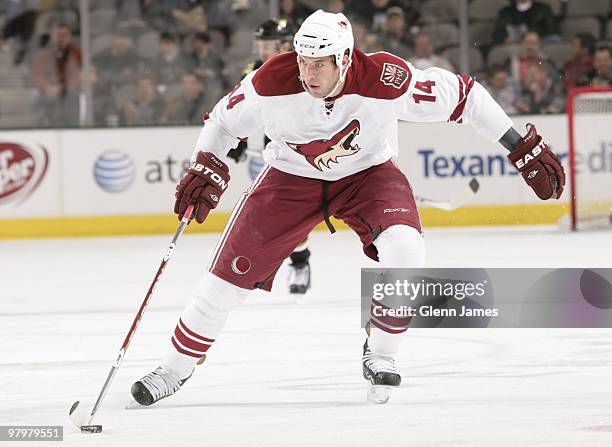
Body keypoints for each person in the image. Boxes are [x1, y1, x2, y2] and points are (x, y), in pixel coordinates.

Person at [130, 10, 565, 406]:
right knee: (226, 280)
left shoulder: (385, 78)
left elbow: (466, 97)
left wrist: (520, 146)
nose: (307, 72)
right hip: (290, 180)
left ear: (344, 58)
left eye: (319, 63)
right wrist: (206, 165)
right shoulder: (270, 80)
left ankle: (382, 353)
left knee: (407, 253)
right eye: (302, 60)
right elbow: (223, 122)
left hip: (368, 176)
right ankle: (174, 368)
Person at [227, 19, 313, 296]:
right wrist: (237, 137)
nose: (262, 50)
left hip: (313, 144)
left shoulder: (309, 66)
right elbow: (240, 107)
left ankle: (299, 262)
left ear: (286, 45)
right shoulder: (254, 70)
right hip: (279, 147)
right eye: (260, 43)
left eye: (268, 44)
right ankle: (299, 262)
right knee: (283, 213)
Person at [493, 0, 559, 45]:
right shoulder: (506, 12)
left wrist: (535, 35)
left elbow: (552, 28)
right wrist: (505, 38)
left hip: (539, 42)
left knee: (554, 39)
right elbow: (497, 32)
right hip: (514, 44)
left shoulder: (543, 9)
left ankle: (541, 62)